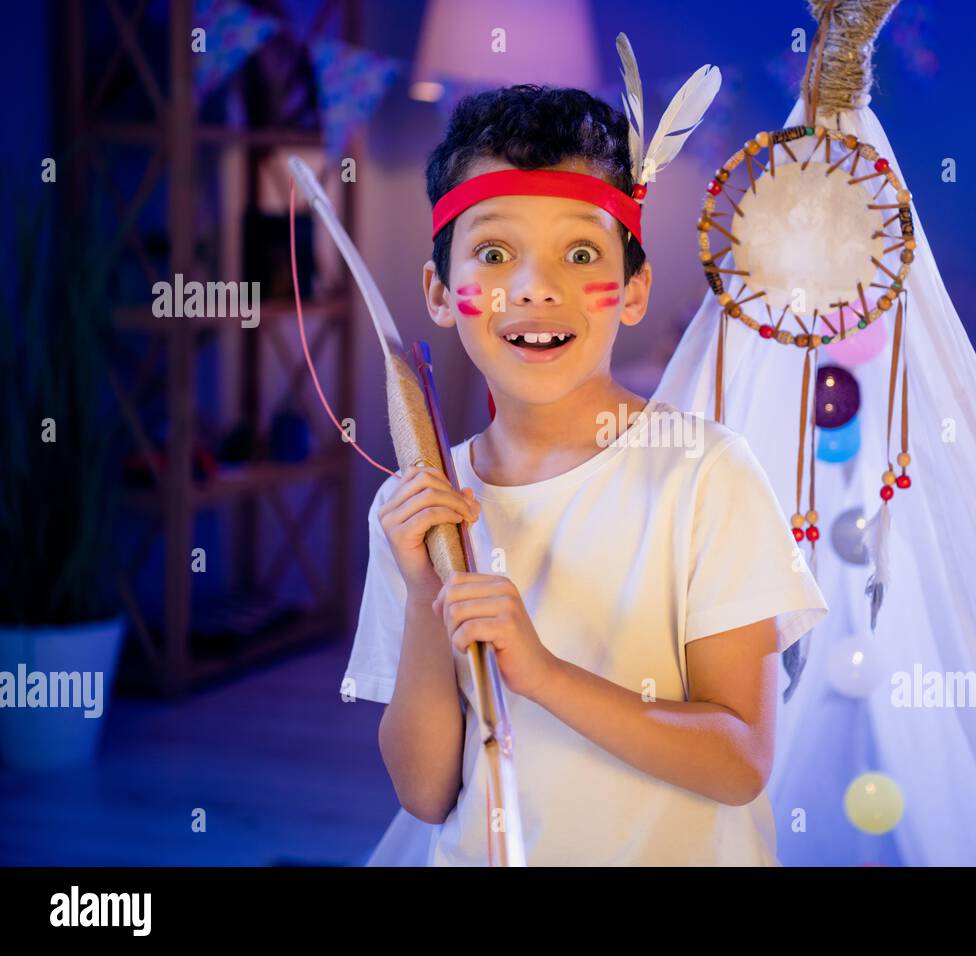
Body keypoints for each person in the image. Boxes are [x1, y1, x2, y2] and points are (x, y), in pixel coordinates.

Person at [342, 82, 828, 866]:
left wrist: (542, 675)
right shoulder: (416, 508)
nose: (536, 287)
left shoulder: (705, 478)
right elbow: (424, 792)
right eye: (495, 254)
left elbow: (740, 762)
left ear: (633, 289)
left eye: (580, 254)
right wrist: (430, 592)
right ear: (440, 291)